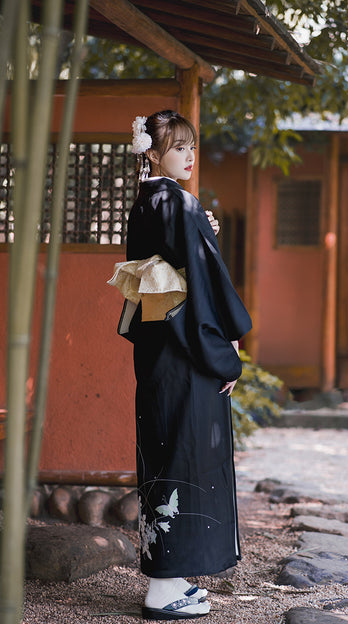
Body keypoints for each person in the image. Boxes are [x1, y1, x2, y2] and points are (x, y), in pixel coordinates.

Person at [110, 110, 251, 620]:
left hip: (159, 352)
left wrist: (201, 229)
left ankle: (173, 575)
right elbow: (203, 282)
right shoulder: (177, 202)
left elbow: (181, 262)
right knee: (184, 456)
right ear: (153, 152)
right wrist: (224, 354)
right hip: (186, 356)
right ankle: (163, 586)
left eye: (193, 145)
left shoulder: (151, 200)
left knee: (168, 451)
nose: (190, 154)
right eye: (179, 146)